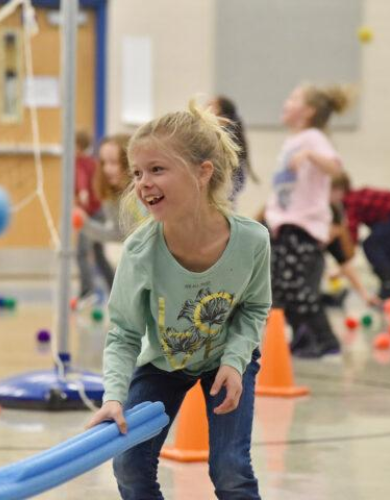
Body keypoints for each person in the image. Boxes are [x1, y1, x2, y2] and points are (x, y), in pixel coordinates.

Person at [87, 102, 271, 499]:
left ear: (203, 172)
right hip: (163, 365)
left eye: (157, 169)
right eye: (137, 173)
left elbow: (255, 308)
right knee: (130, 465)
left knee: (231, 470)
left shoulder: (252, 241)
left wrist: (236, 363)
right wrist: (114, 397)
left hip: (228, 361)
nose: (143, 183)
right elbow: (123, 333)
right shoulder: (140, 250)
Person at [265, 83, 351, 358]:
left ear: (308, 111)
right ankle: (302, 338)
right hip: (282, 225)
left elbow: (335, 167)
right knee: (278, 290)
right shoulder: (292, 141)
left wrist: (311, 156)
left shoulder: (313, 137)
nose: (286, 102)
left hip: (301, 226)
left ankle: (327, 342)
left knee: (300, 291)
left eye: (293, 98)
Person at [73, 134, 137, 292]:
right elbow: (118, 233)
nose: (107, 169)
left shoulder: (143, 191)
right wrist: (85, 224)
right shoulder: (110, 198)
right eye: (103, 163)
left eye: (114, 162)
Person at [331, 171, 390, 299]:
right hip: (384, 221)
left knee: (371, 244)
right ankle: (386, 286)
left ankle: (387, 283)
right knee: (382, 247)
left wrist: (342, 266)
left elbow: (352, 236)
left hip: (387, 219)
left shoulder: (350, 201)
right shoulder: (357, 196)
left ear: (339, 190)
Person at [74, 130, 115, 300]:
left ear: (77, 146)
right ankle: (114, 289)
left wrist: (83, 194)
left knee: (82, 252)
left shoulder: (80, 162)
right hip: (99, 211)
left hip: (90, 214)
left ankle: (87, 292)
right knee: (98, 254)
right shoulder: (92, 162)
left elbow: (82, 180)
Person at [207, 95, 259, 201]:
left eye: (210, 106)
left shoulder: (227, 142)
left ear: (223, 118)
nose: (204, 109)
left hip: (221, 201)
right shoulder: (211, 138)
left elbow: (239, 180)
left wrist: (220, 195)